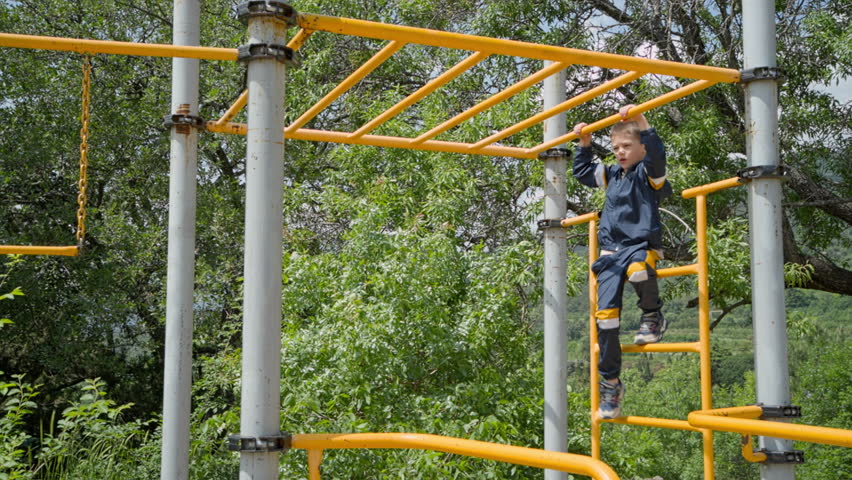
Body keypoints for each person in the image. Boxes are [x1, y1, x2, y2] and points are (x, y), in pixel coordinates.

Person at [571, 104, 673, 419]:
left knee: (640, 271)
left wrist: (642, 122)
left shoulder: (648, 174)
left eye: (627, 146)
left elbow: (657, 156)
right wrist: (585, 144)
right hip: (611, 253)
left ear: (641, 146)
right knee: (606, 319)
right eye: (616, 147)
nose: (621, 152)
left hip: (640, 245)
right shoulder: (613, 175)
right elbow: (584, 172)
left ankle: (652, 316)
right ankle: (611, 384)